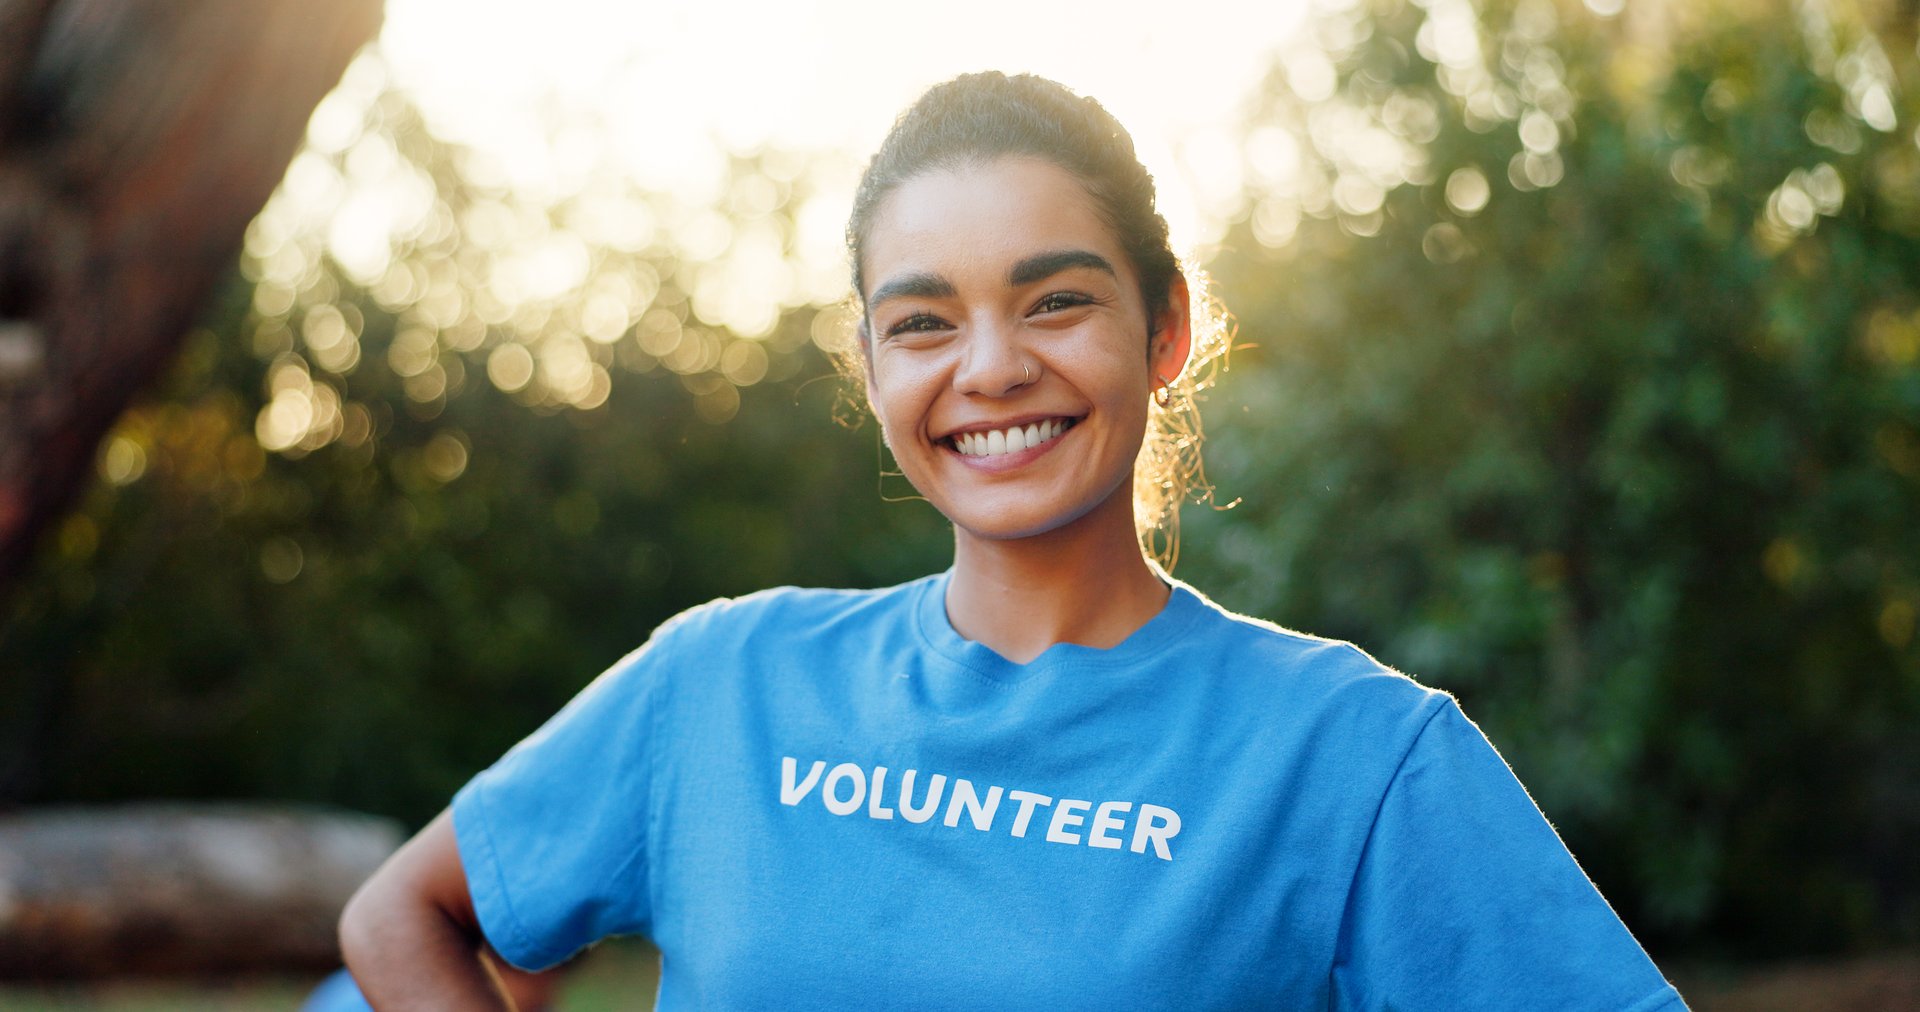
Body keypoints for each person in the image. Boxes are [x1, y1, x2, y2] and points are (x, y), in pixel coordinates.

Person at [340, 71, 1687, 1009]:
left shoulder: (1352, 755)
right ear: (871, 371)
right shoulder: (721, 684)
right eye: (923, 322)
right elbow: (400, 916)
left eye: (1053, 301)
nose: (989, 368)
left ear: (1165, 331)